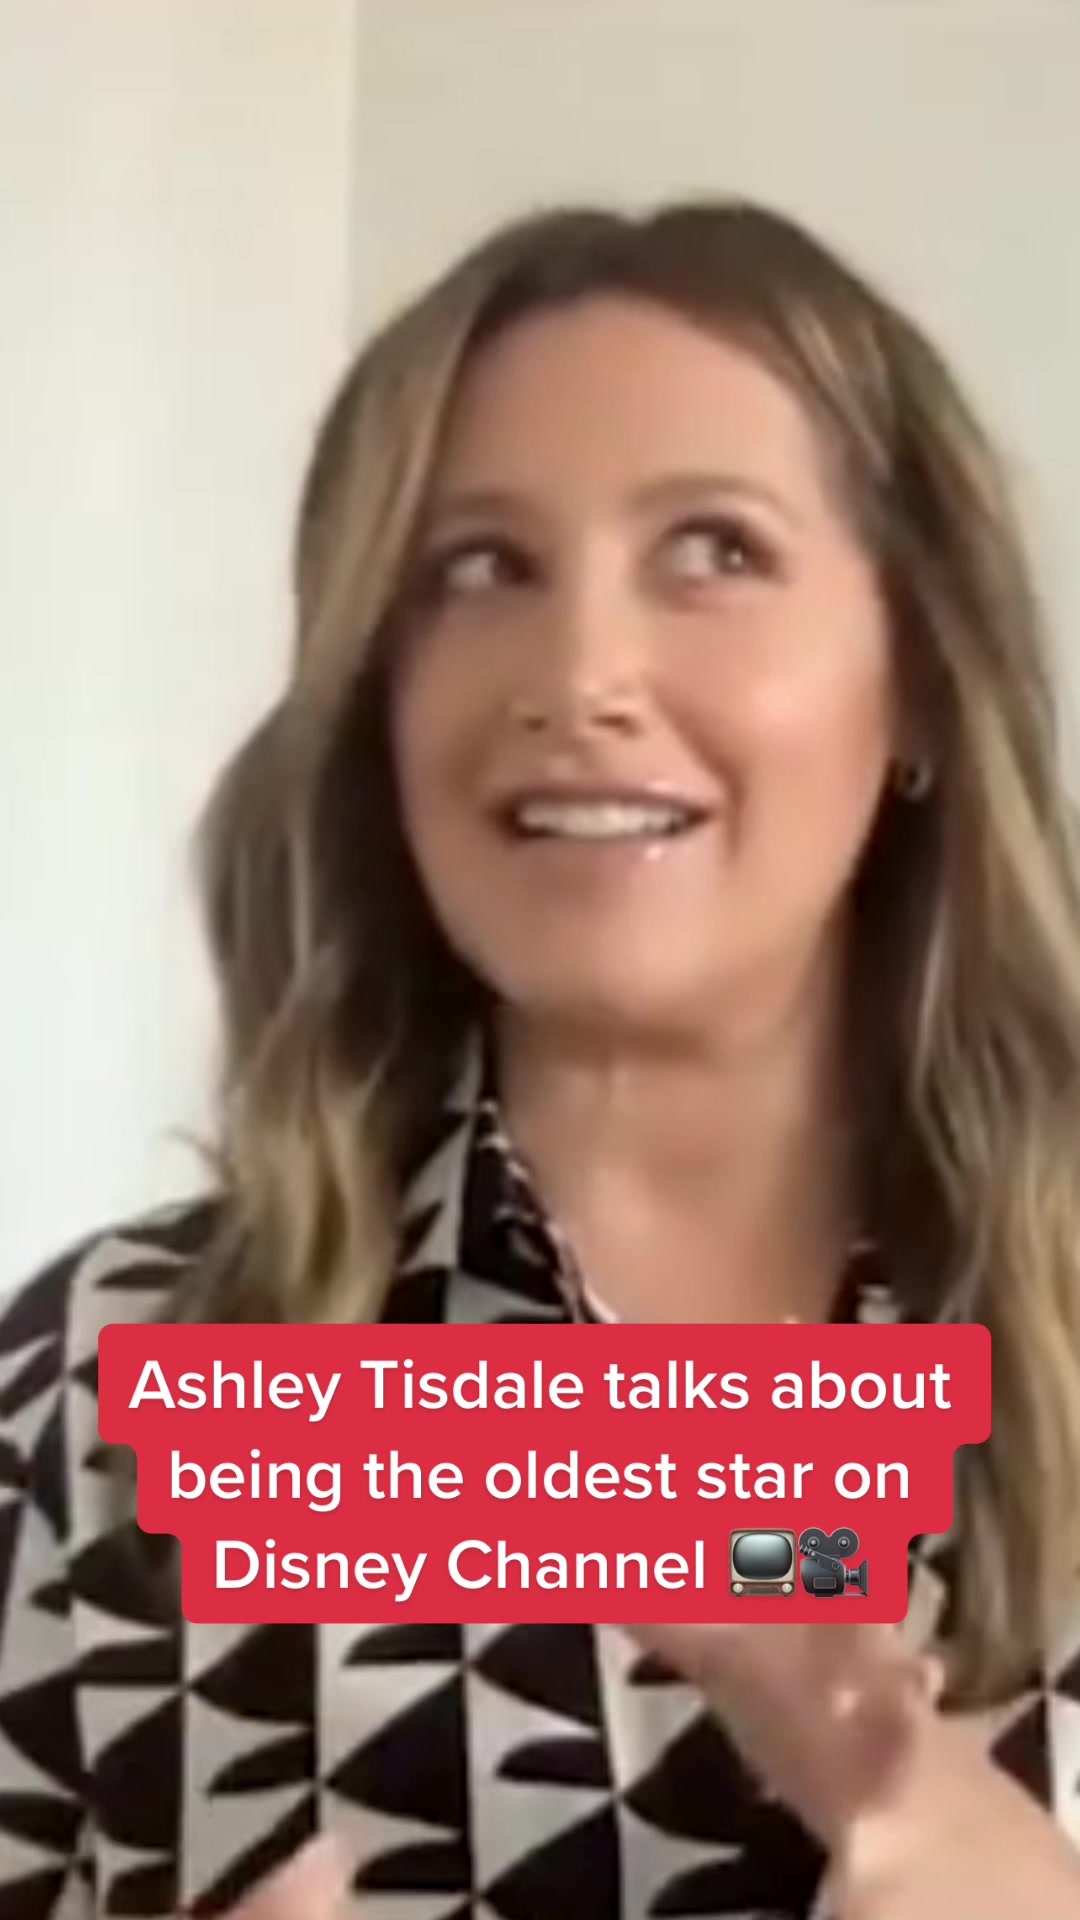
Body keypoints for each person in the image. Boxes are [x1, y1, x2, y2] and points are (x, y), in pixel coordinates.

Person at [3, 197, 1080, 1920]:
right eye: (480, 568)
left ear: (925, 682)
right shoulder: (101, 1387)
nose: (579, 677)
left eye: (716, 550)